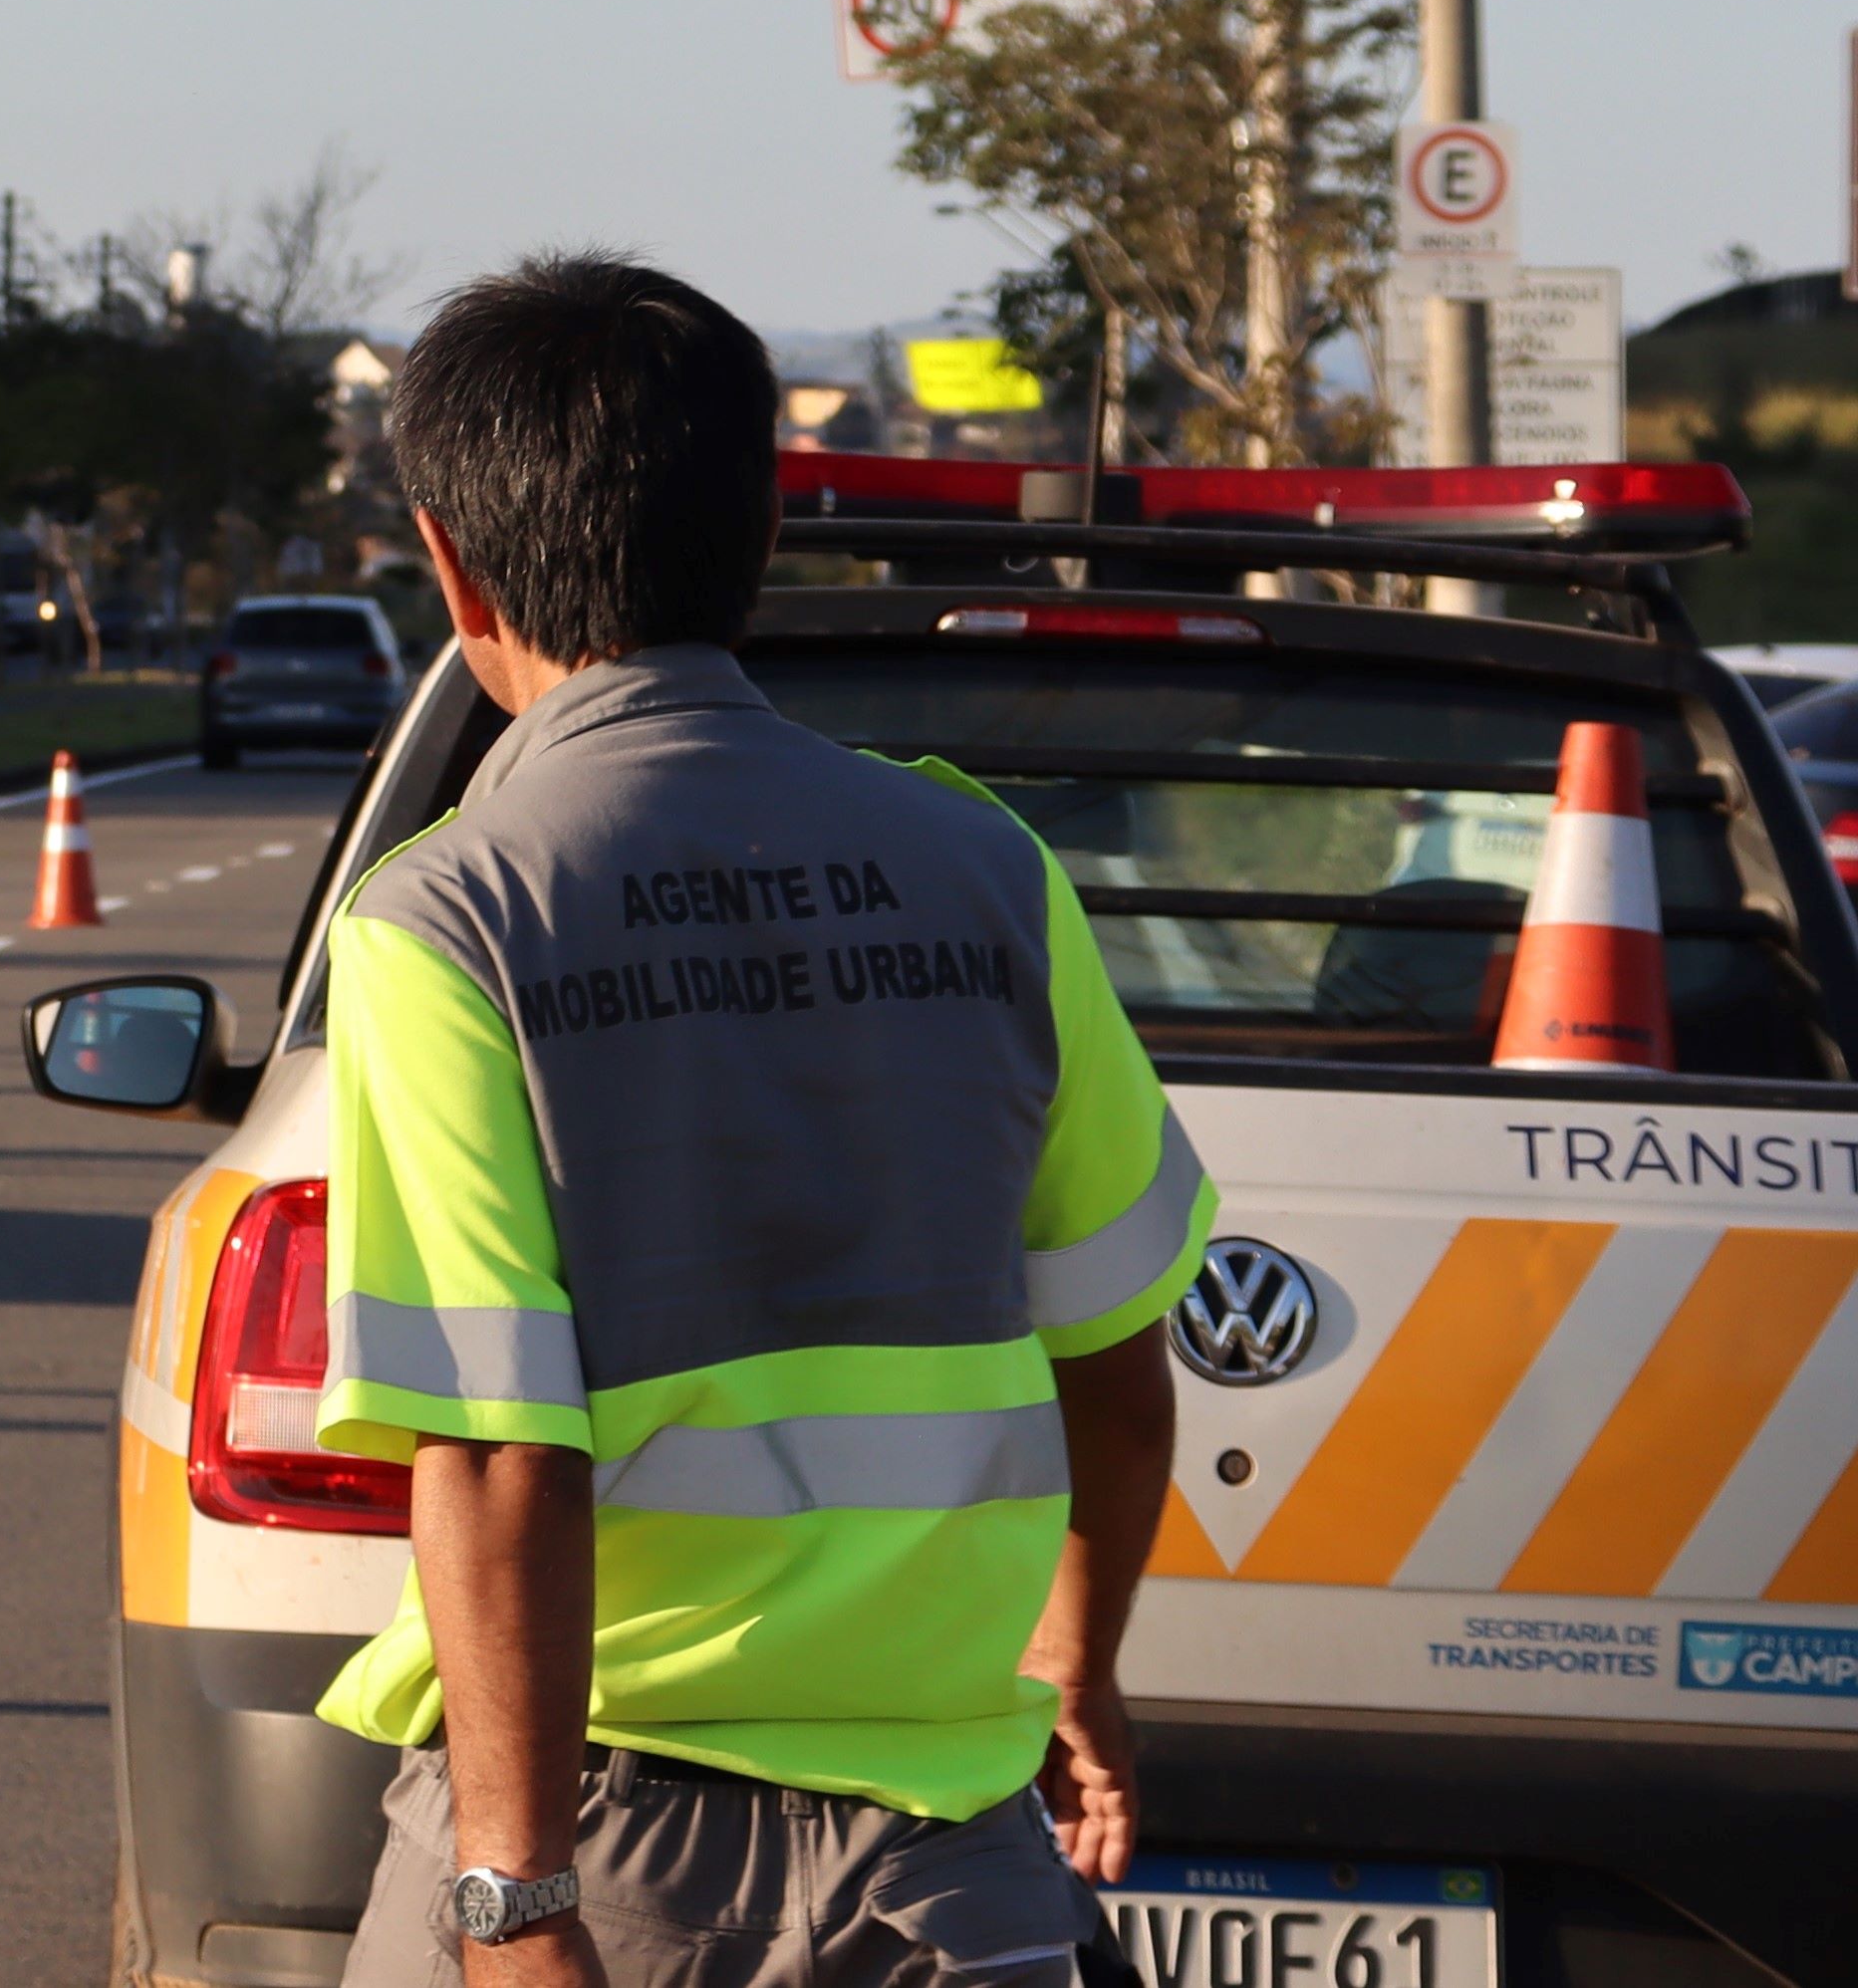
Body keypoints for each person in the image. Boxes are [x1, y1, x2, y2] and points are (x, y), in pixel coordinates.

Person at [311, 256, 1209, 1988]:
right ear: (761, 527)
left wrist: (509, 1896)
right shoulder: (987, 875)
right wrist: (1074, 1670)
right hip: (956, 1873)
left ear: (451, 565)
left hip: (609, 1845)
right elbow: (1112, 1363)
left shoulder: (449, 922)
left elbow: (499, 1450)